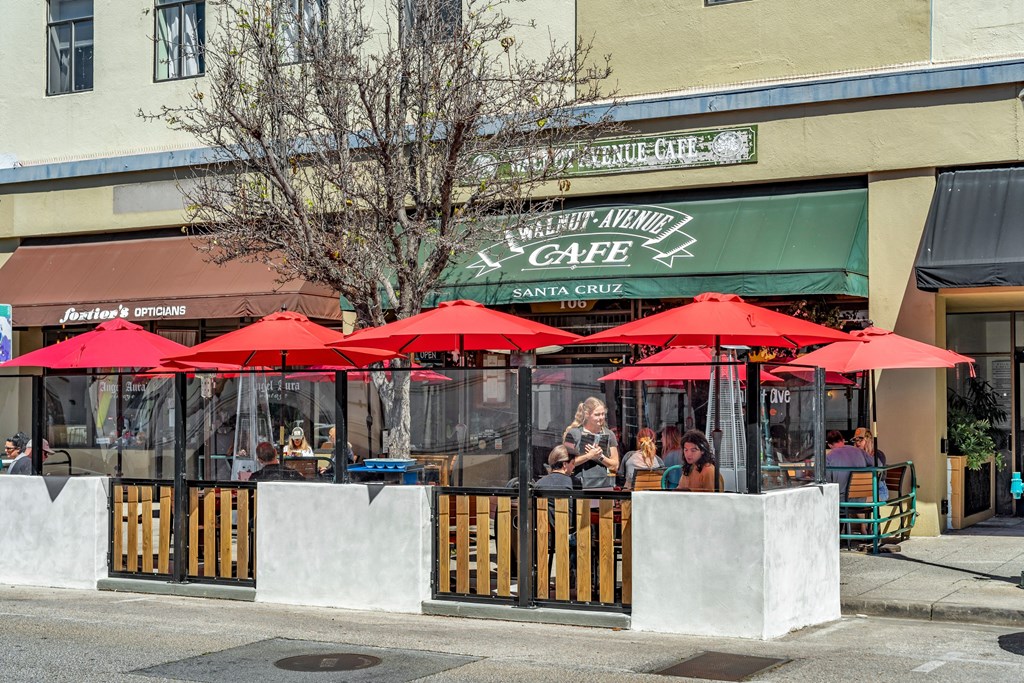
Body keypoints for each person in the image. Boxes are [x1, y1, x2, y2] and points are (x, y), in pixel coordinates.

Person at [562, 397, 620, 489]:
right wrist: (588, 456)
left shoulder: (609, 434)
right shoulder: (573, 433)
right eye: (597, 415)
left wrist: (600, 457)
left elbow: (615, 466)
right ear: (587, 415)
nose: (601, 418)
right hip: (580, 484)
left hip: (603, 484)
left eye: (603, 414)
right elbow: (565, 463)